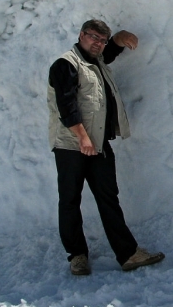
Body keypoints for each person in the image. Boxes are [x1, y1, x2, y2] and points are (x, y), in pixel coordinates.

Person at [48, 19, 164, 275]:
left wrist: (119, 39)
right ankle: (77, 256)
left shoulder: (96, 60)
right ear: (81, 35)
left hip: (97, 144)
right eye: (93, 38)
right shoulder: (65, 65)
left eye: (102, 40)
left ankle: (128, 254)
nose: (98, 44)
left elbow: (105, 54)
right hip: (71, 146)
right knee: (69, 201)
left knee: (108, 198)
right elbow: (66, 106)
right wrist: (82, 138)